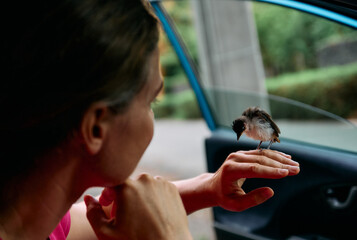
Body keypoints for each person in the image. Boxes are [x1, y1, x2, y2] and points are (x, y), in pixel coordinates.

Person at [0, 0, 300, 239]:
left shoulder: (38, 221)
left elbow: (91, 223)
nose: (152, 117)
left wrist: (207, 188)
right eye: (150, 101)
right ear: (95, 127)